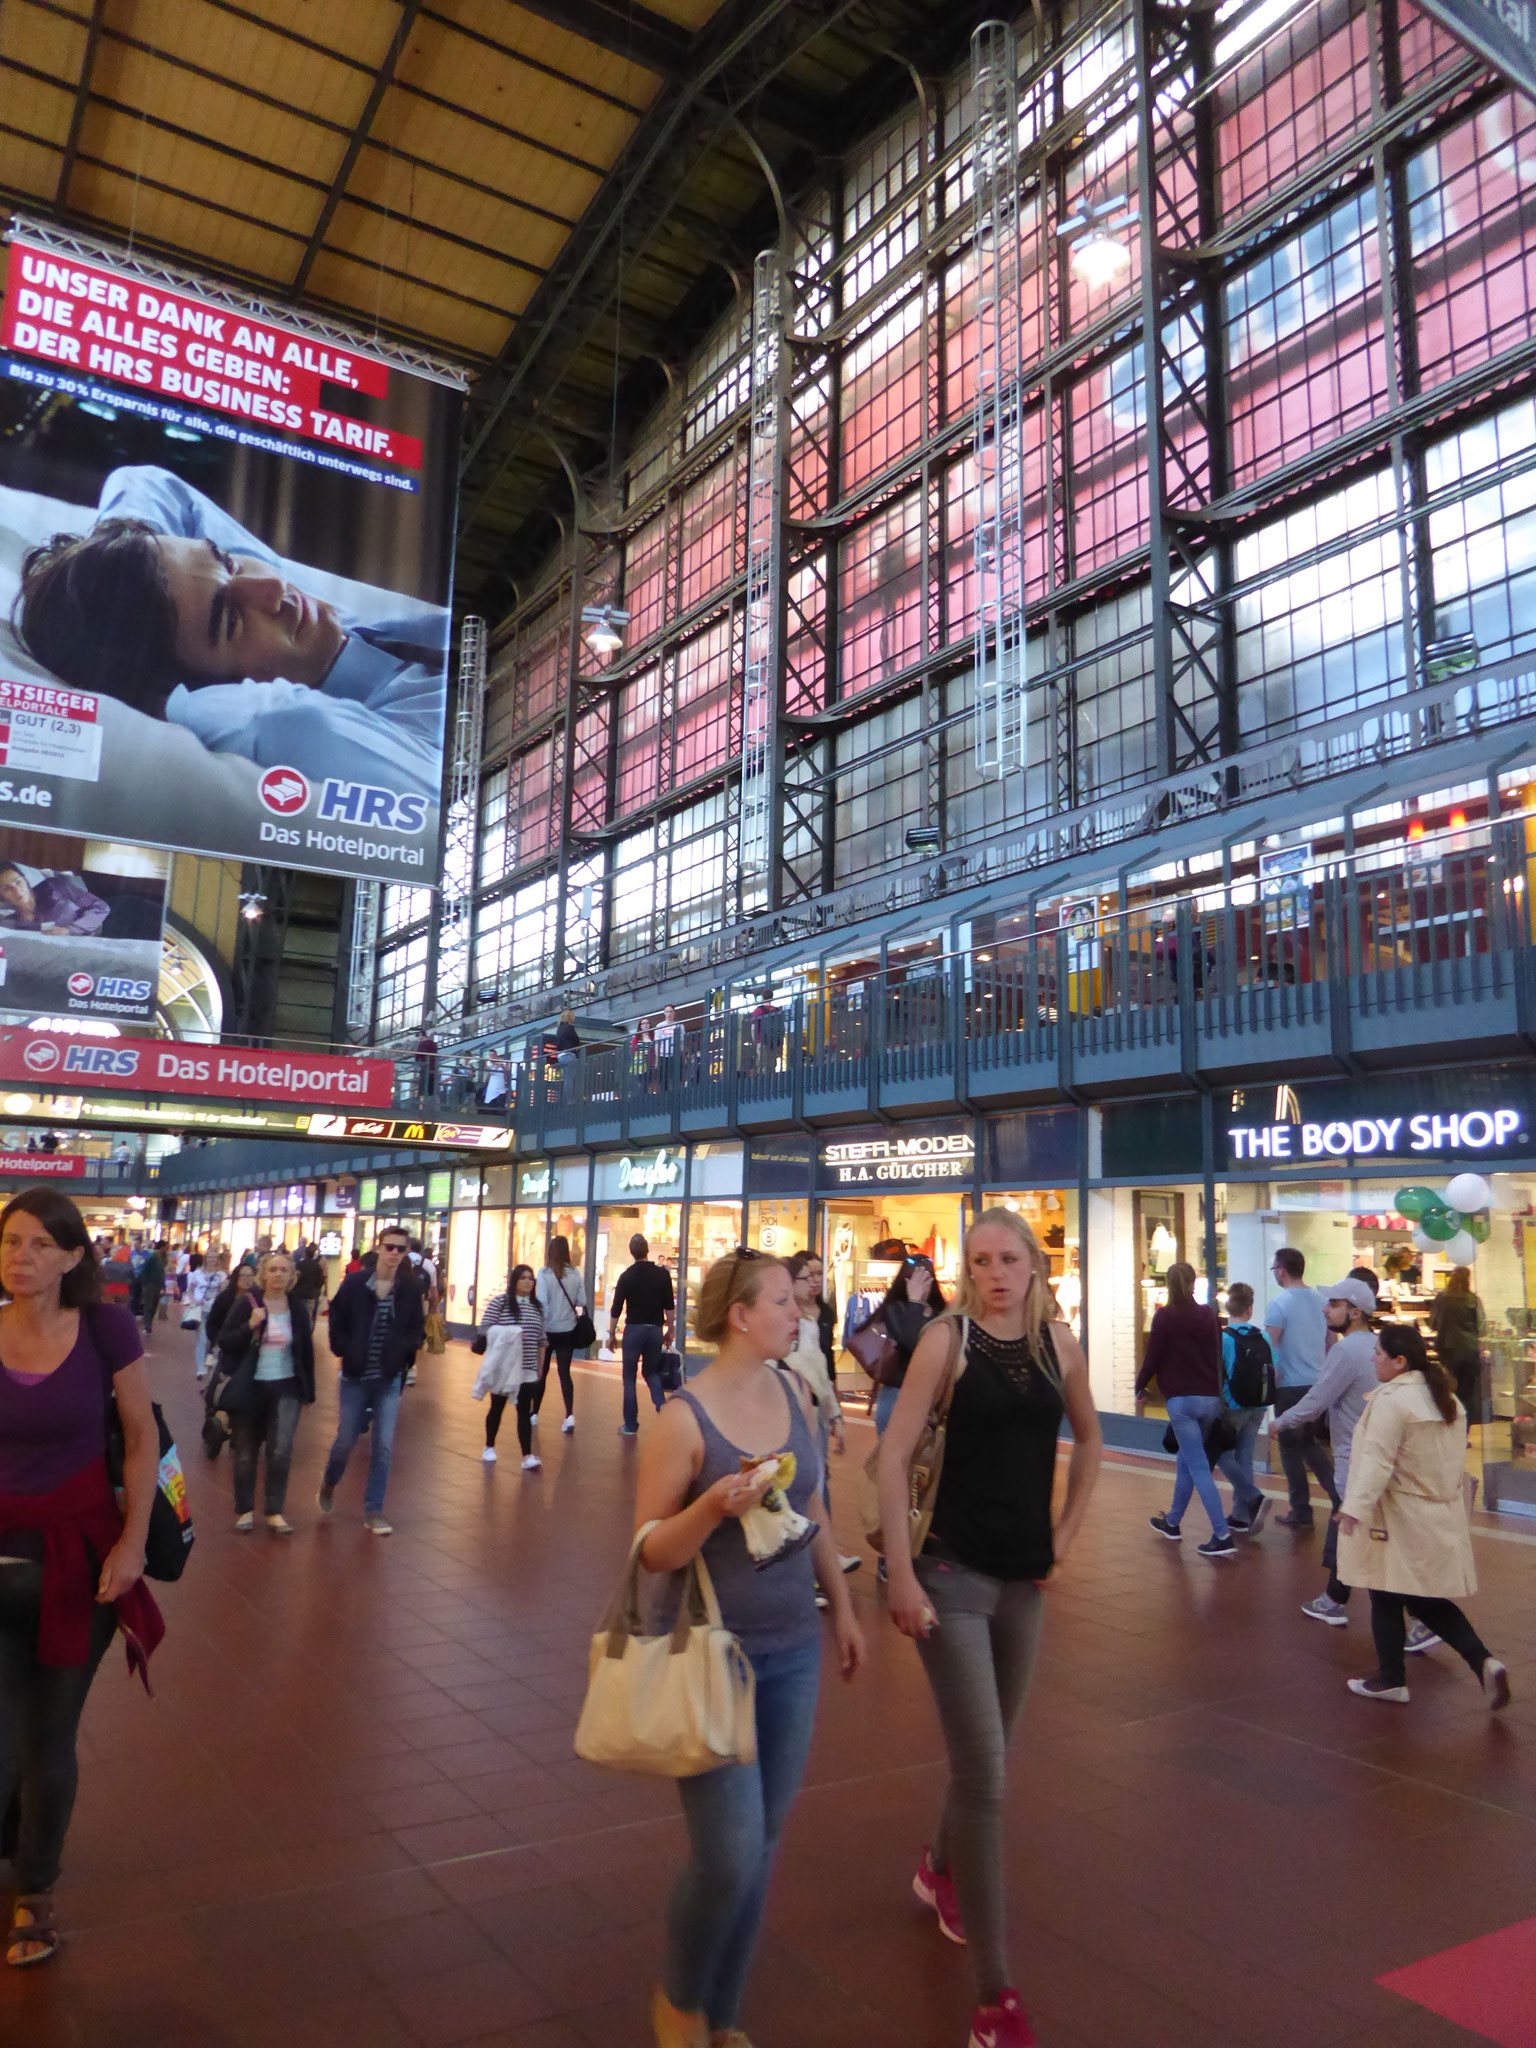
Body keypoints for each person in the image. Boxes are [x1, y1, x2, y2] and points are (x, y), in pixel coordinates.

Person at [878, 1208, 1101, 2048]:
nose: (995, 1272)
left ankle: (938, 1869)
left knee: (988, 1758)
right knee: (989, 1778)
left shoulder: (1060, 1343)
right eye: (979, 1260)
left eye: (1009, 1258)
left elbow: (1090, 1437)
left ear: (1035, 1264)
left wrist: (1067, 1536)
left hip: (1023, 1581)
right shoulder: (948, 1340)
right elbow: (894, 1455)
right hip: (950, 1571)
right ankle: (994, 1999)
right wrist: (900, 1573)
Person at [637, 1250, 864, 2048]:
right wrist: (709, 1507)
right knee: (728, 1854)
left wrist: (842, 1606)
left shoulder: (796, 1391)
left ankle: (722, 2016)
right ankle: (679, 1998)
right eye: (782, 1300)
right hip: (711, 1655)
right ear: (740, 1315)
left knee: (763, 1847)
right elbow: (650, 1550)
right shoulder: (681, 1419)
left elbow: (815, 1514)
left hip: (793, 1648)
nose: (799, 1309)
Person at [14, 467, 448, 797]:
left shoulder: (260, 602)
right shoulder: (398, 735)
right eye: (231, 621)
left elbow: (147, 483)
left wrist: (109, 564)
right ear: (202, 688)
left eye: (226, 559)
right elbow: (287, 721)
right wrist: (170, 704)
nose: (274, 587)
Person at [0, 1187, 162, 1967]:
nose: (18, 1258)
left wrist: (132, 1544)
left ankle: (35, 1891)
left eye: (36, 1244)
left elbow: (140, 1437)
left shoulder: (106, 1328)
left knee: (48, 1738)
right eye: (9, 1242)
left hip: (81, 1563)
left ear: (71, 1257)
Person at [1338, 1323, 1511, 1709]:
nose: (1373, 1358)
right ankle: (1483, 1660)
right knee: (1420, 1599)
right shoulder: (1446, 1399)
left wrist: (1354, 1509)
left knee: (1383, 1591)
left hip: (1395, 1515)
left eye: (1379, 1353)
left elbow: (1376, 1462)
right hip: (1436, 1513)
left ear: (1400, 1361)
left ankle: (1391, 1679)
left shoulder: (1391, 1401)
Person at [1275, 1278, 1385, 1629]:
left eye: (1333, 1304)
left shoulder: (1346, 1351)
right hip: (1374, 1457)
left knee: (1356, 1529)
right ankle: (1334, 1596)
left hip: (1355, 1460)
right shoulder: (1378, 1347)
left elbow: (1317, 1400)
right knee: (1354, 1529)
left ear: (1354, 1311)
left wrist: (1282, 1420)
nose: (1325, 1309)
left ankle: (1420, 1613)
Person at [318, 1227, 426, 1535]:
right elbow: (336, 1318)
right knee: (345, 1440)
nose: (394, 1253)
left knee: (384, 1444)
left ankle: (374, 1510)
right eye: (389, 1247)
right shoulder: (354, 1284)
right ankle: (329, 1482)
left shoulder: (409, 1288)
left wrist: (403, 1352)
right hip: (354, 1377)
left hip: (388, 1379)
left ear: (406, 1253)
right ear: (378, 1248)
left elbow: (416, 1328)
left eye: (400, 1249)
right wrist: (343, 1349)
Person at [1137, 1263, 1237, 1558]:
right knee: (1187, 1461)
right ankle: (1172, 1522)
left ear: (1168, 1285)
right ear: (1195, 1283)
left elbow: (1152, 1356)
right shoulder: (1208, 1314)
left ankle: (1222, 1533)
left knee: (1198, 1467)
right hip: (1208, 1399)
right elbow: (1217, 1354)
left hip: (1181, 1402)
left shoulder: (1165, 1317)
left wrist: (1140, 1386)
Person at [216, 1248, 315, 1535]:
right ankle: (245, 1509)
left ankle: (274, 1510)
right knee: (246, 1452)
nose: (278, 1275)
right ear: (263, 1274)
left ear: (292, 1276)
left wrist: (308, 1391)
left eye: (284, 1270)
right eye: (273, 1269)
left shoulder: (296, 1307)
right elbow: (224, 1340)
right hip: (250, 1386)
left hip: (286, 1386)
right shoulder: (248, 1303)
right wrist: (249, 1325)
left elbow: (306, 1352)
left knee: (281, 1449)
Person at [784, 1251, 860, 1577]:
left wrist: (834, 1414)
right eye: (807, 1276)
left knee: (815, 1480)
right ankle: (806, 1562)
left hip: (810, 1408)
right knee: (792, 1482)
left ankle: (821, 1557)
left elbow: (821, 1371)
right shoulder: (783, 1322)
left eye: (818, 1275)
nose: (815, 1281)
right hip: (783, 1411)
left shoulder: (819, 1318)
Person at [1264, 1247, 1338, 1528]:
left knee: (1290, 1448)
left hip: (1289, 1386)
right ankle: (1337, 1495)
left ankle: (1301, 1510)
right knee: (1310, 1444)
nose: (1274, 1274)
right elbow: (1331, 1345)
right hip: (1317, 1385)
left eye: (1274, 1269)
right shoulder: (1323, 1302)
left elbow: (1269, 1347)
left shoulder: (1279, 1304)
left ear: (1282, 1270)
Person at [1213, 1282, 1273, 1535]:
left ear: (1227, 1308)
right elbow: (1273, 1371)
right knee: (1245, 1456)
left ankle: (1252, 1497)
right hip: (1258, 1406)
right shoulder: (1263, 1336)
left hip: (1233, 1405)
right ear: (1249, 1309)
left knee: (1218, 1452)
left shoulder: (1224, 1338)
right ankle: (1240, 1516)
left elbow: (1217, 1374)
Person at [864, 1255, 946, 1436]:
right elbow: (911, 1342)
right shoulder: (894, 1309)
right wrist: (915, 1303)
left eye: (926, 1276)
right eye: (916, 1277)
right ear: (906, 1280)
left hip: (932, 1394)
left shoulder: (941, 1311)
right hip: (897, 1393)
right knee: (891, 1457)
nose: (922, 1281)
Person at [475, 1266, 546, 1471]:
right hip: (504, 1366)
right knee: (497, 1406)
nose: (527, 1282)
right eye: (523, 1278)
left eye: (530, 1279)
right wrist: (510, 1333)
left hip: (527, 1368)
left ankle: (527, 1455)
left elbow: (542, 1340)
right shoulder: (500, 1303)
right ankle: (489, 1445)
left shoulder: (537, 1307)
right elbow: (485, 1329)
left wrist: (539, 1368)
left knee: (524, 1410)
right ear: (514, 1280)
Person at [609, 1233, 676, 1437]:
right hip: (654, 1330)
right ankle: (663, 1410)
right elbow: (670, 1308)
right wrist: (670, 1330)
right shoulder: (662, 1275)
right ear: (647, 1250)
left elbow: (616, 1309)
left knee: (629, 1377)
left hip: (633, 1331)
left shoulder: (626, 1276)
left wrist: (611, 1334)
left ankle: (630, 1424)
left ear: (631, 1252)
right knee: (651, 1372)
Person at [534, 1235, 585, 1436]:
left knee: (542, 1372)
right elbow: (582, 1300)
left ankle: (534, 1413)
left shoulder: (544, 1273)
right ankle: (569, 1415)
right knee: (565, 1373)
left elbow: (542, 1302)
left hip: (548, 1330)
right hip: (568, 1329)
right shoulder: (575, 1274)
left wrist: (540, 1327)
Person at [1428, 1266, 1485, 1421]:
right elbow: (1482, 1326)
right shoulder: (1473, 1300)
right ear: (1468, 1279)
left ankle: (1449, 1426)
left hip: (1448, 1350)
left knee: (1448, 1391)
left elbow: (1432, 1323)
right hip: (1470, 1350)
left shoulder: (1441, 1298)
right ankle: (1464, 1431)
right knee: (1468, 1393)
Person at [292, 1244, 326, 1329]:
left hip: (299, 1293)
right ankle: (308, 1334)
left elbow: (294, 1279)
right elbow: (320, 1280)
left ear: (304, 1254)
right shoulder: (317, 1266)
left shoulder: (299, 1265)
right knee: (309, 1316)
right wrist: (317, 1289)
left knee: (298, 1315)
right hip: (311, 1294)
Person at [135, 1240, 165, 1338]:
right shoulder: (152, 1256)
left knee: (153, 1304)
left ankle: (148, 1323)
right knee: (149, 1304)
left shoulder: (160, 1257)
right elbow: (145, 1269)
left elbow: (161, 1272)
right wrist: (145, 1282)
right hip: (150, 1284)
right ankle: (147, 1325)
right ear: (162, 1247)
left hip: (156, 1284)